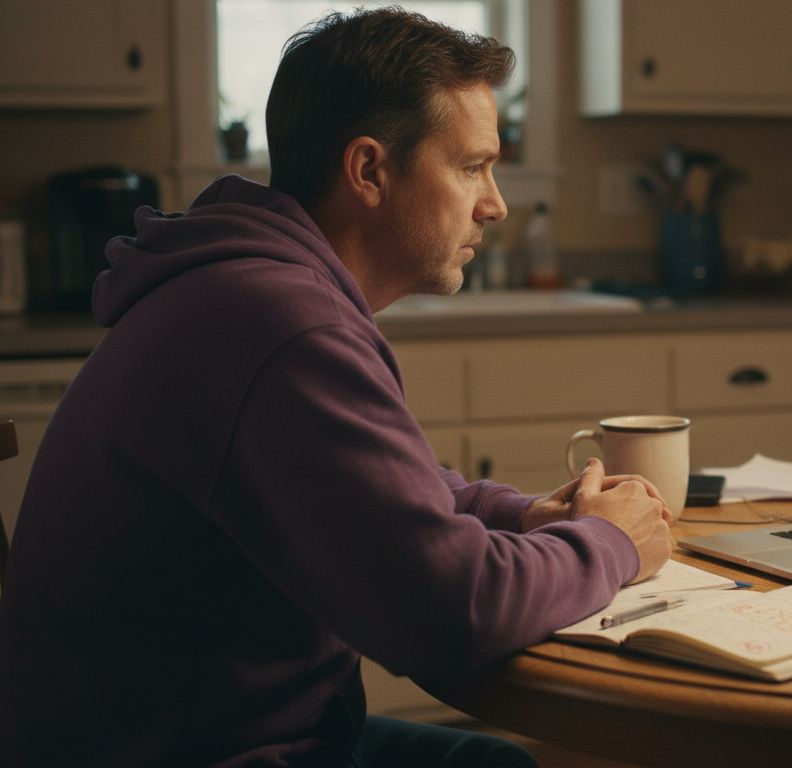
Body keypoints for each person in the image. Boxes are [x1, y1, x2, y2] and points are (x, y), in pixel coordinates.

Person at [0, 8, 671, 767]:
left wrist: (523, 515)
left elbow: (380, 493)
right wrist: (612, 542)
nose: (495, 203)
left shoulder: (248, 290)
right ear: (369, 171)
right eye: (471, 167)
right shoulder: (282, 325)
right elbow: (450, 610)